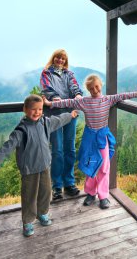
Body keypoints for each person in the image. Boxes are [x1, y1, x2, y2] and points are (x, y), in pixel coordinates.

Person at [43, 74, 137, 209]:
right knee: (90, 165)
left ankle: (103, 196)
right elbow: (67, 102)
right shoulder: (84, 101)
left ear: (101, 85)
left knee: (104, 166)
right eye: (91, 88)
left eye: (97, 86)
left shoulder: (107, 99)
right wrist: (49, 103)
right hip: (89, 139)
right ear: (88, 90)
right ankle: (91, 193)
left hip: (102, 137)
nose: (95, 90)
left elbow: (123, 95)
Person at [0, 94, 78, 237]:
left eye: (40, 109)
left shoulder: (45, 122)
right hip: (29, 169)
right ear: (25, 109)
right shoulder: (21, 130)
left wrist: (70, 115)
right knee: (29, 196)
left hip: (45, 165)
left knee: (46, 192)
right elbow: (8, 146)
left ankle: (42, 213)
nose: (37, 112)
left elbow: (59, 120)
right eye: (33, 109)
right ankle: (28, 222)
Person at [40, 49, 83, 200]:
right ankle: (57, 186)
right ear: (54, 58)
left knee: (70, 149)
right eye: (58, 57)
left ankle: (69, 184)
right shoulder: (46, 73)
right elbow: (47, 88)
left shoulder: (69, 74)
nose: (60, 60)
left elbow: (74, 87)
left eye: (63, 58)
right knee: (57, 150)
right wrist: (55, 98)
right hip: (54, 115)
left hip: (71, 113)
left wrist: (78, 94)